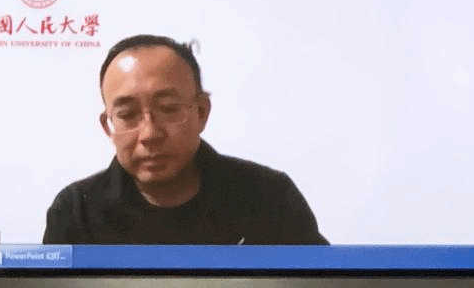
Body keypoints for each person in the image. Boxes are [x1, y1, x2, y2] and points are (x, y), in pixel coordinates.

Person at [43, 34, 328, 245]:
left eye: (168, 109)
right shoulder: (76, 212)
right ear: (108, 127)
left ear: (201, 112)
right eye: (128, 114)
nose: (150, 134)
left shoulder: (269, 197)